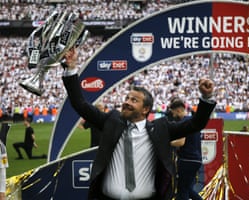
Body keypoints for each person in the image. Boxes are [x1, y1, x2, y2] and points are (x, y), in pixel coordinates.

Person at [62, 48, 216, 200]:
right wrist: (71, 68)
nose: (127, 102)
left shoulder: (161, 129)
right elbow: (79, 104)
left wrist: (206, 98)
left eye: (134, 100)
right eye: (127, 98)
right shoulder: (111, 121)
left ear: (145, 109)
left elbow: (196, 124)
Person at [169, 99, 203, 200]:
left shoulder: (183, 122)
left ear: (178, 110)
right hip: (196, 159)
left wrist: (166, 143)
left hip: (187, 159)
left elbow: (181, 142)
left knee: (182, 190)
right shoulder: (192, 121)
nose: (173, 116)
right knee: (187, 189)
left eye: (173, 113)